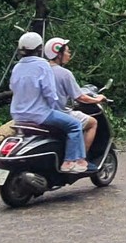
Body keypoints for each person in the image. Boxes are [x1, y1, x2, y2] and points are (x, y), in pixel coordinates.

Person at [10, 31, 86, 173]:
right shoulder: (42, 65)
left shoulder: (17, 67)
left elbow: (13, 87)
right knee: (75, 124)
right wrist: (53, 106)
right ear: (39, 49)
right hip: (39, 114)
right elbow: (49, 92)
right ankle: (69, 162)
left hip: (17, 115)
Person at [44, 36, 102, 152]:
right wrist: (98, 99)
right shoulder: (65, 73)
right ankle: (81, 157)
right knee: (92, 123)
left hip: (41, 114)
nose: (69, 54)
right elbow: (81, 98)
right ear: (58, 54)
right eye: (67, 51)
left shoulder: (41, 70)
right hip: (59, 113)